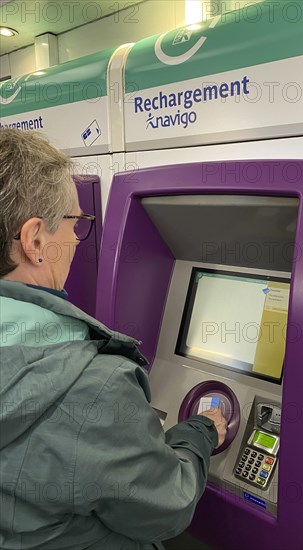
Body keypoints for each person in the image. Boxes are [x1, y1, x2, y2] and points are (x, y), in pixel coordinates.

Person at [0, 129, 227, 550]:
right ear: (35, 241)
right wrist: (199, 431)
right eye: (75, 222)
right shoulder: (89, 385)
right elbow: (167, 505)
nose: (76, 237)